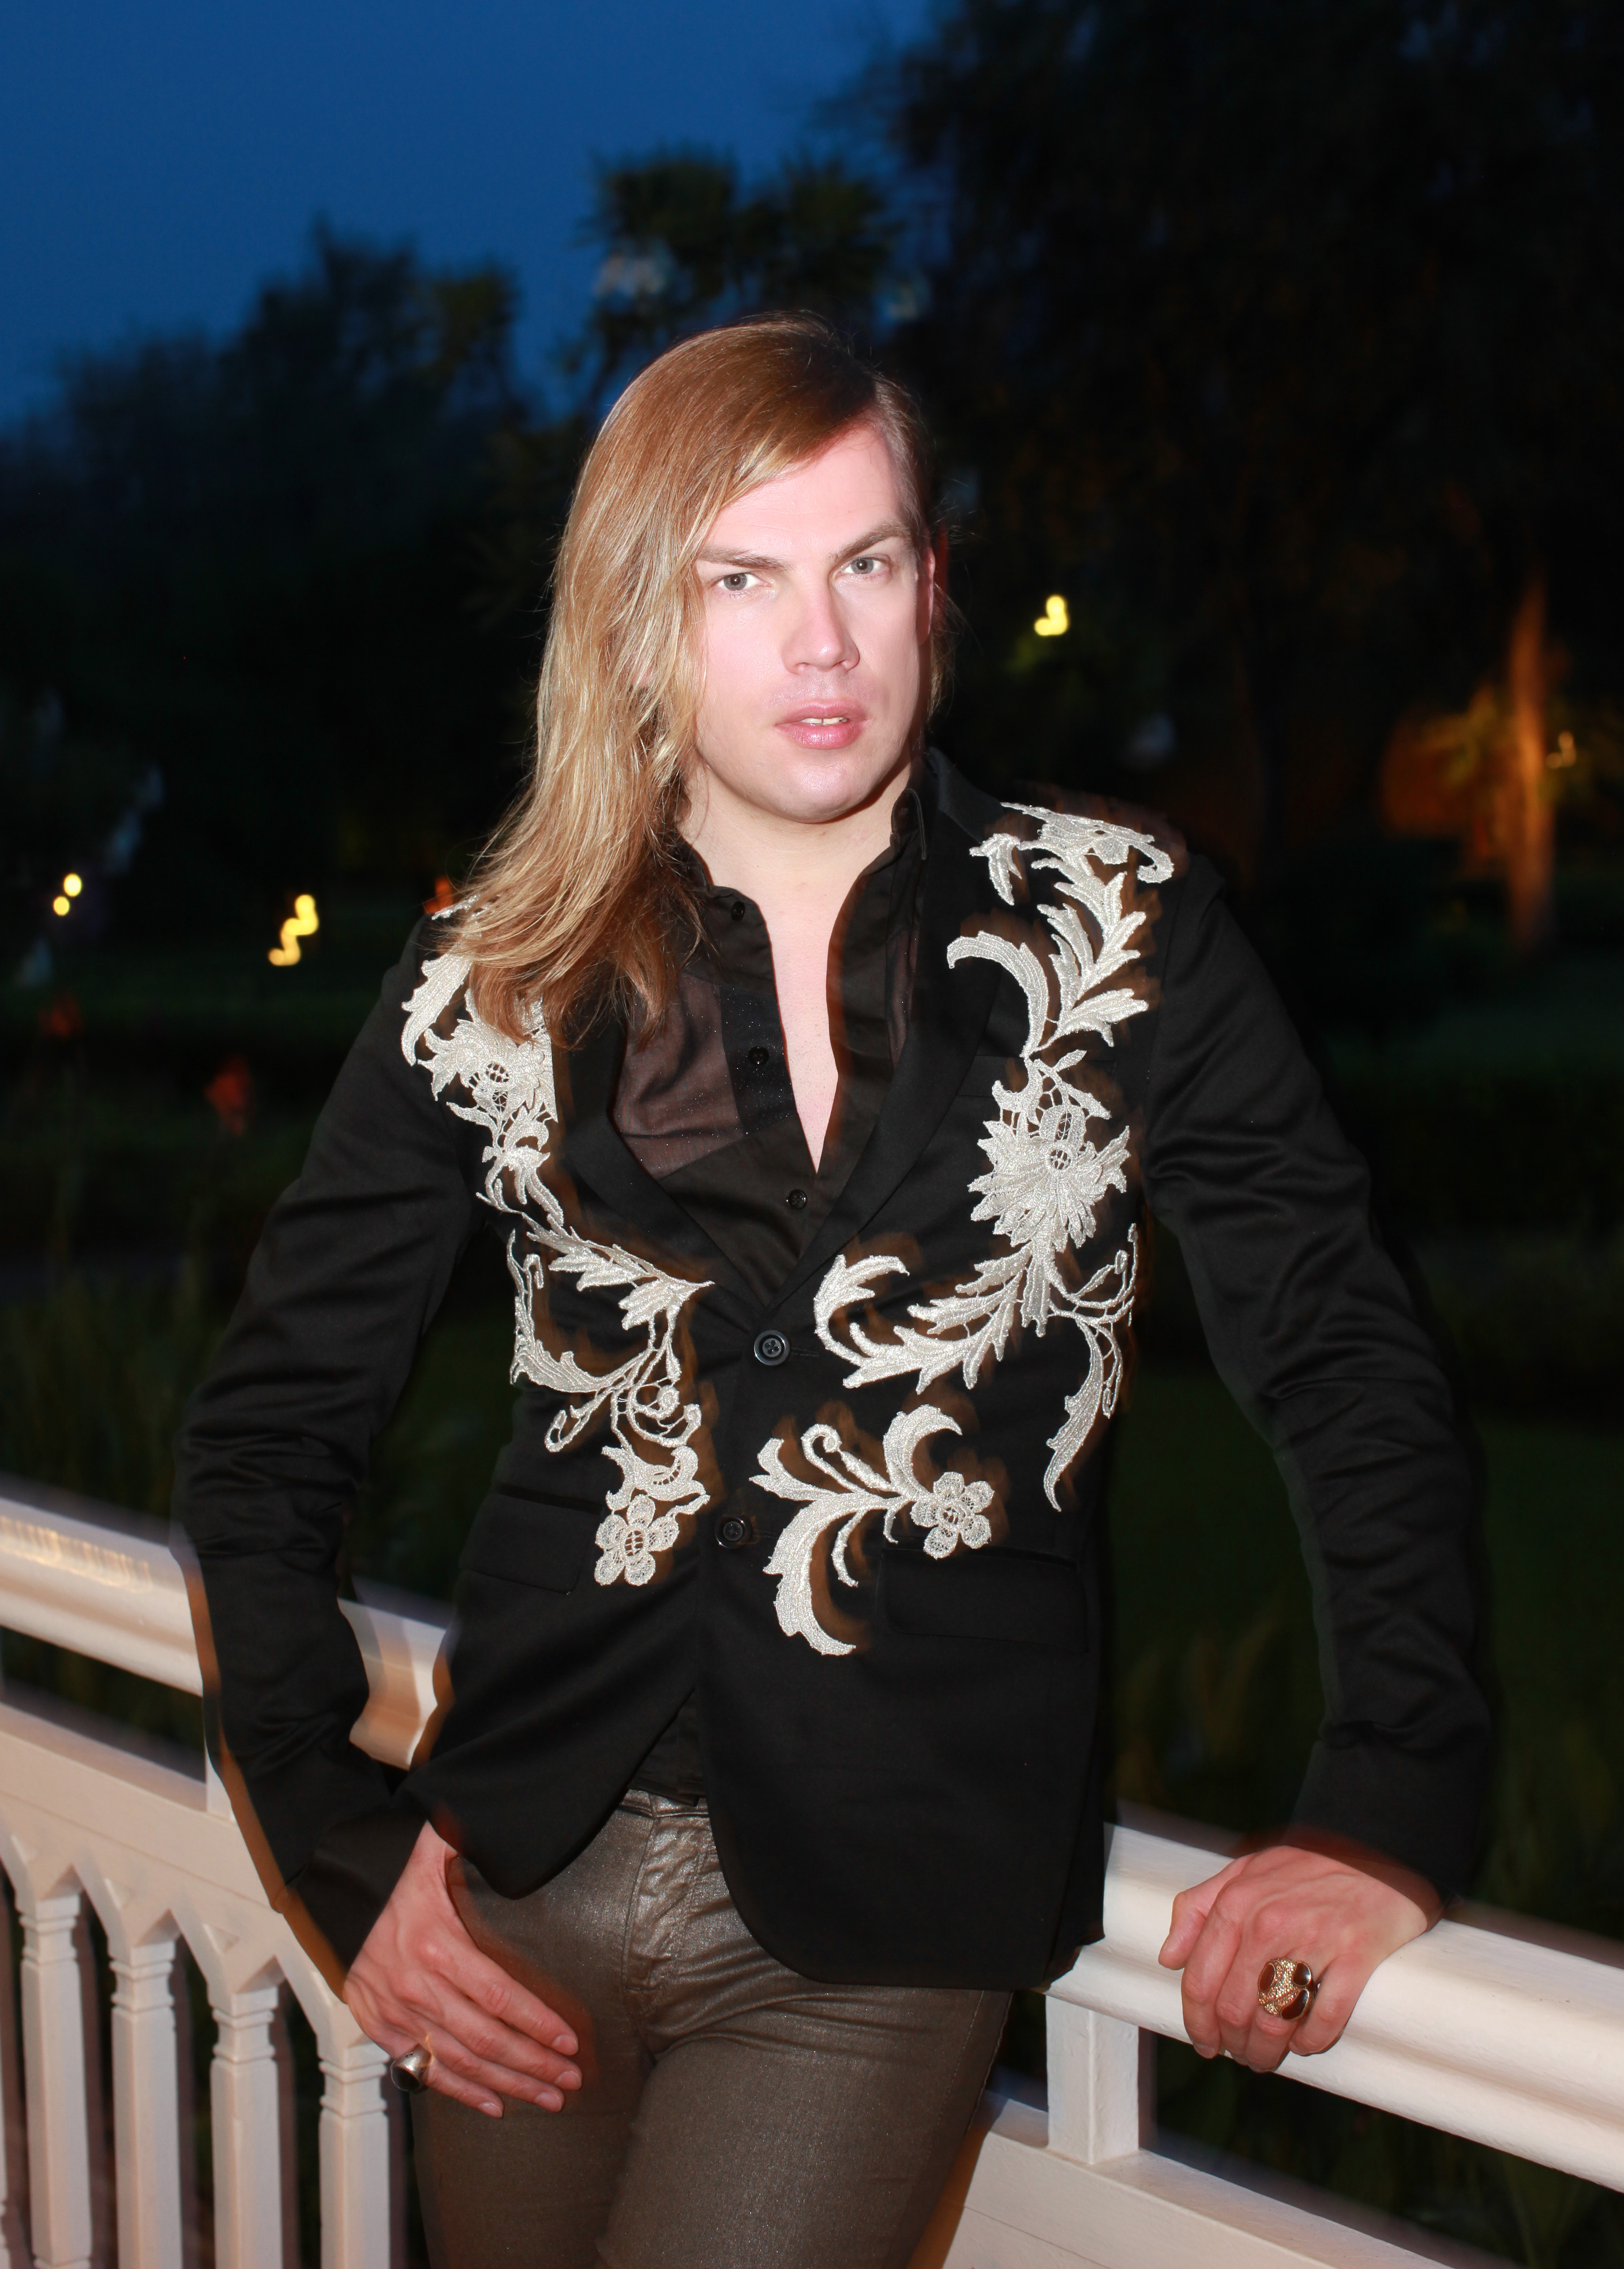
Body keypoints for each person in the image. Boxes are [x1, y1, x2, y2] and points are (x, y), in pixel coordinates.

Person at [174, 314, 1489, 2269]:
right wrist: (334, 1845)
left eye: (864, 562)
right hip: (512, 1884)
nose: (822, 642)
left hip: (886, 1915)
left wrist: (1384, 1799)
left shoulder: (1120, 929)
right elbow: (267, 1437)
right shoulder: (494, 980)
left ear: (931, 584)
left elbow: (1343, 1360)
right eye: (743, 579)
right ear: (641, 617)